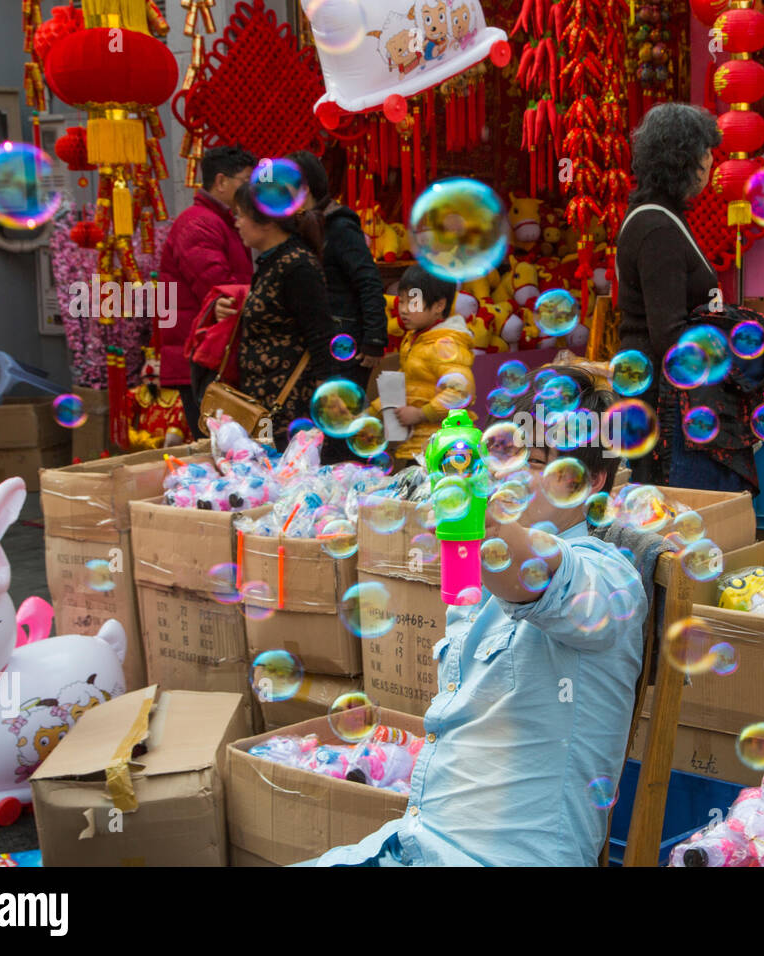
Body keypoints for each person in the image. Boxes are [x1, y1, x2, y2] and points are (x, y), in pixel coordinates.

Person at [316, 366, 646, 866]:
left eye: (532, 460)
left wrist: (473, 503)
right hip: (414, 844)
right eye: (502, 453)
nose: (506, 473)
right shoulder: (479, 585)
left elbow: (537, 574)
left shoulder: (609, 578)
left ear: (589, 483)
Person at [615, 103, 725, 488]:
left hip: (656, 390)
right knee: (661, 502)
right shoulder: (656, 227)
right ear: (682, 159)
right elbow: (669, 333)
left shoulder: (661, 217)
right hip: (659, 401)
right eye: (705, 151)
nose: (711, 161)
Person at [231, 180, 339, 447]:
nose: (237, 223)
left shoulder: (297, 265)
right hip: (264, 399)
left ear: (266, 221)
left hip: (288, 405)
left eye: (241, 215)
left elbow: (320, 332)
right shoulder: (273, 260)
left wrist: (326, 394)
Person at [158, 145, 256, 437]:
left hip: (215, 354)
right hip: (205, 356)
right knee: (220, 448)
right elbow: (217, 287)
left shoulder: (221, 222)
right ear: (222, 182)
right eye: (246, 182)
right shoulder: (199, 223)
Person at [285, 151, 388, 395]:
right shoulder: (296, 226)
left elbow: (369, 281)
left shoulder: (339, 226)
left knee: (339, 414)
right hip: (317, 340)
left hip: (344, 341)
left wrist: (374, 339)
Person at [369, 264, 475, 468]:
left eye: (413, 302)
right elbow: (406, 385)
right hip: (416, 444)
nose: (403, 309)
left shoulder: (446, 344)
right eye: (402, 301)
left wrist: (420, 413)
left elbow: (461, 392)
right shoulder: (416, 339)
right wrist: (371, 413)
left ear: (438, 305)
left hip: (442, 447)